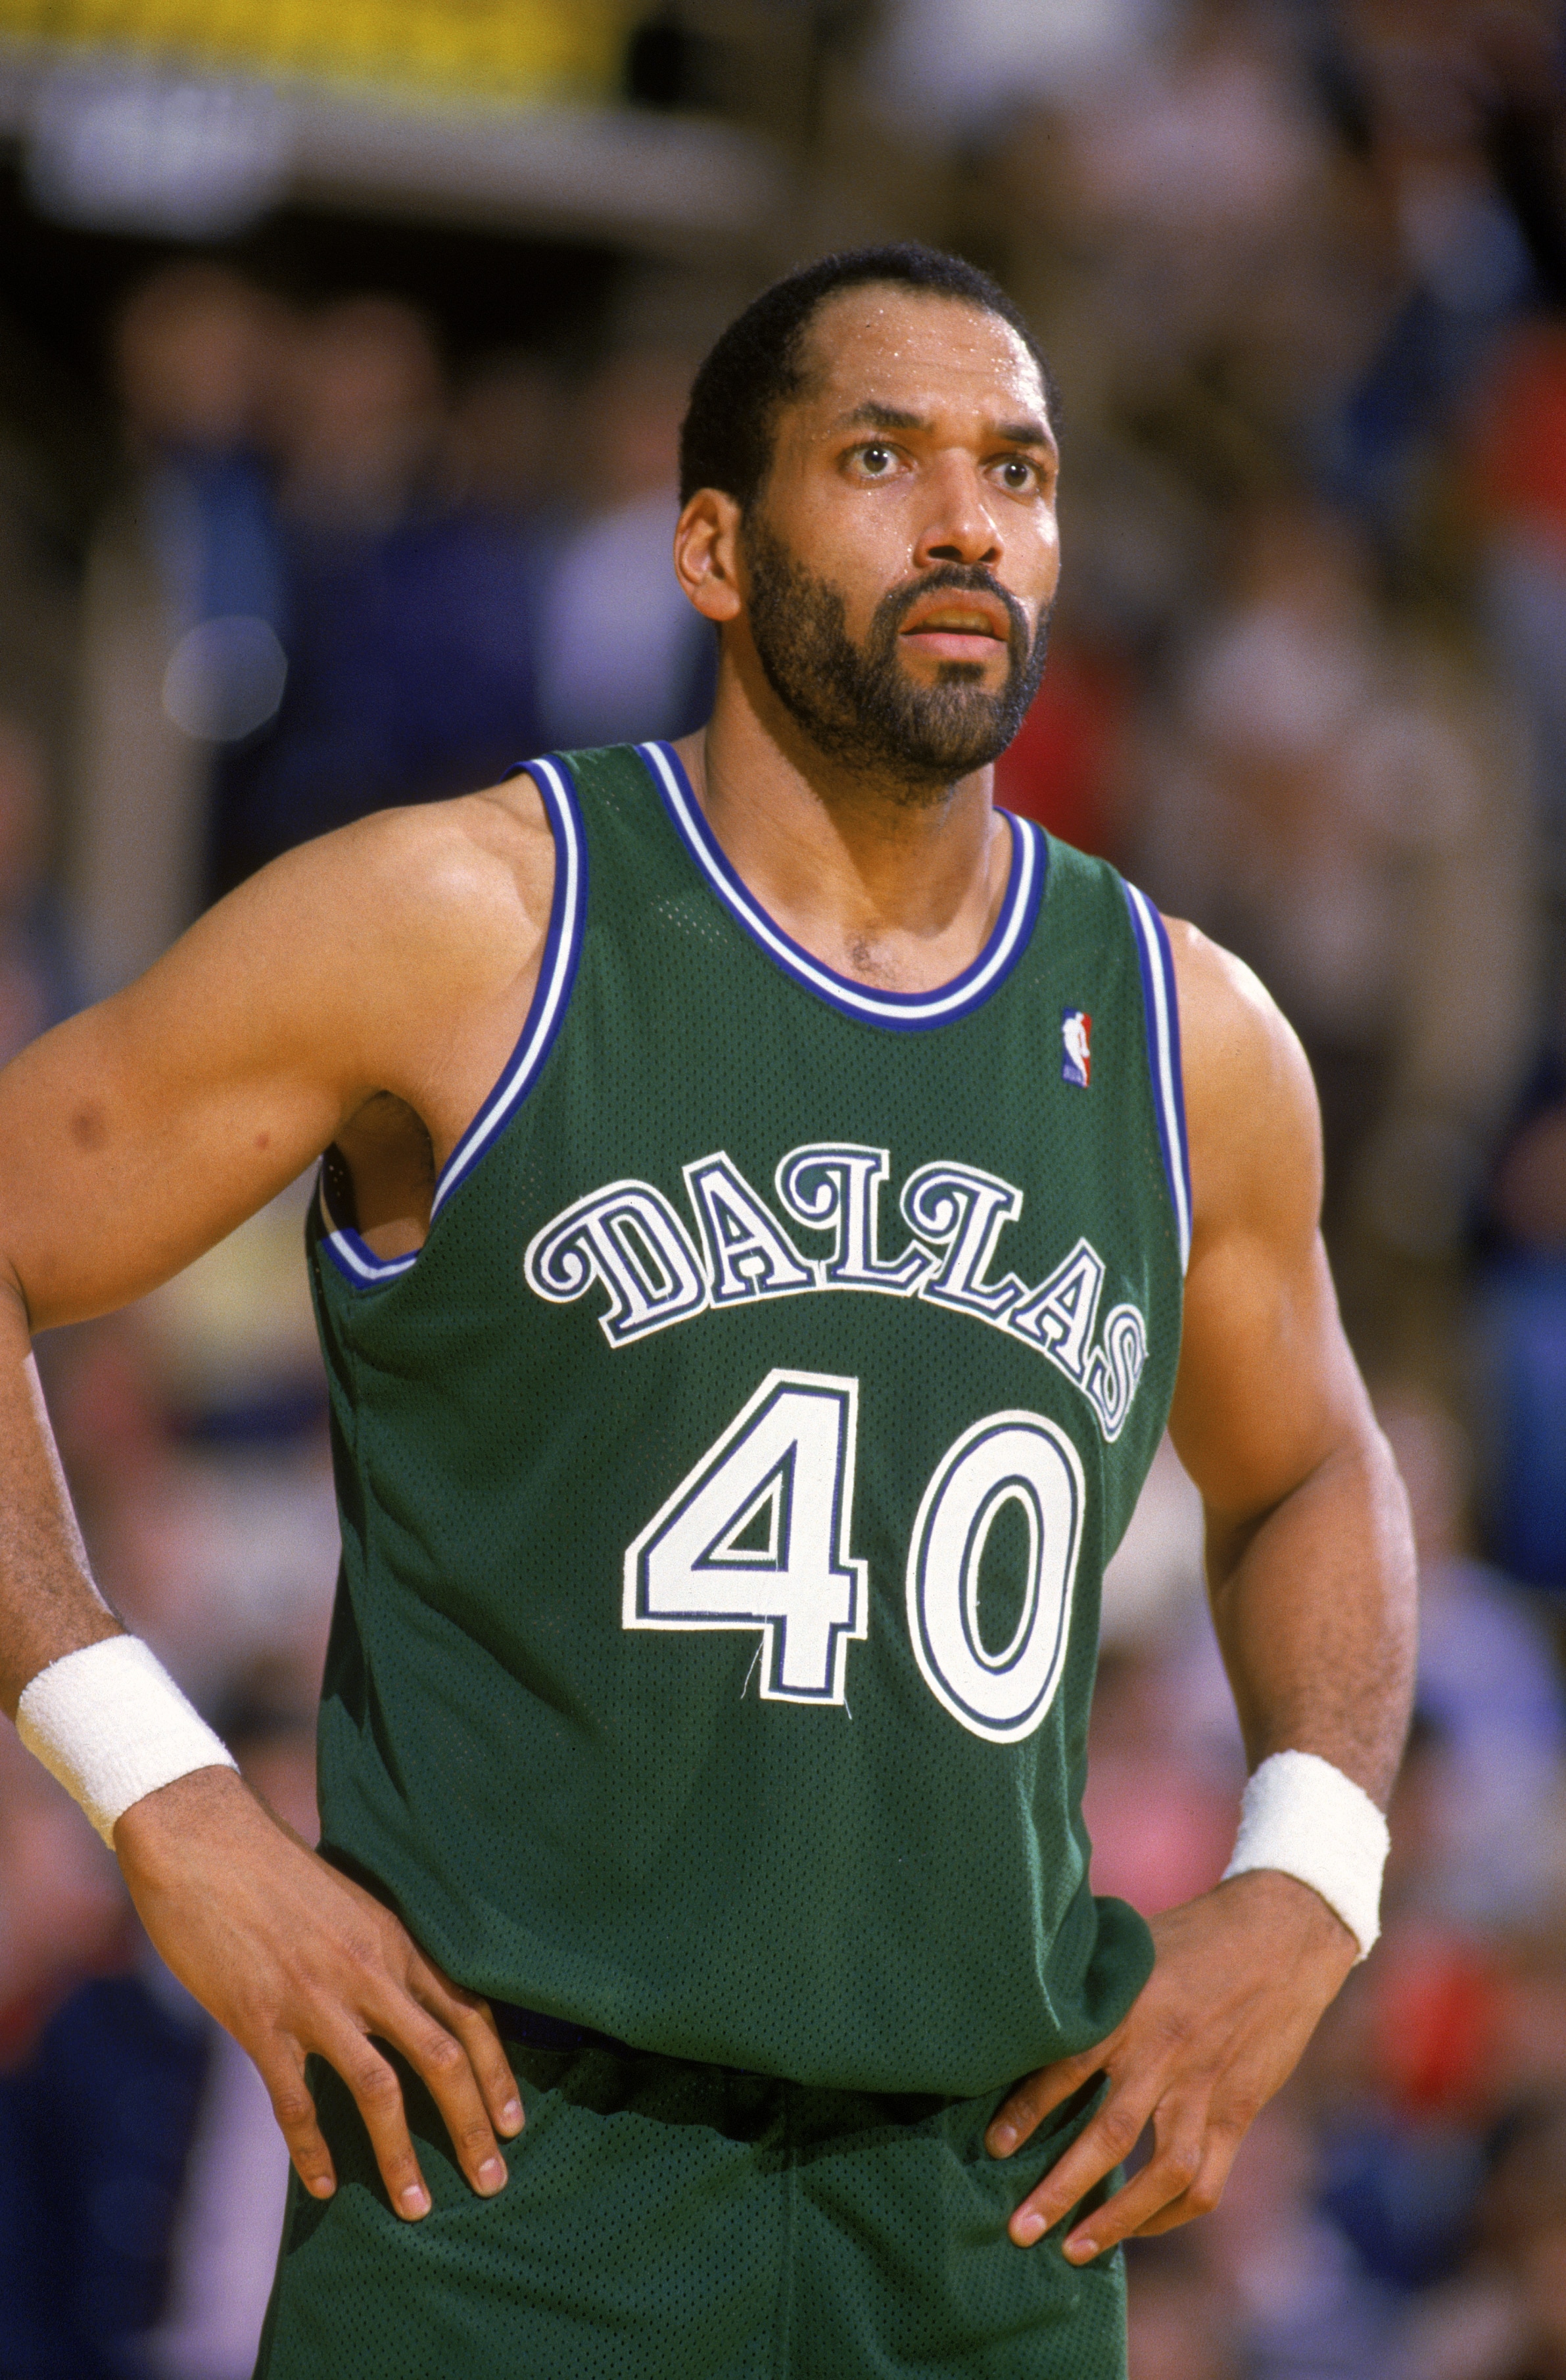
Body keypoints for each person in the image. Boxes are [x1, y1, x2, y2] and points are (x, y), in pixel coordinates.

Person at [0, 245, 1415, 2377]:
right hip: (504, 2184)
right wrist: (164, 1802)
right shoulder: (460, 918)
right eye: (884, 456)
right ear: (713, 548)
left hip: (986, 2216)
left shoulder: (1192, 1030)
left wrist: (1314, 1875)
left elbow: (1311, 1457)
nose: (968, 519)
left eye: (1017, 470)